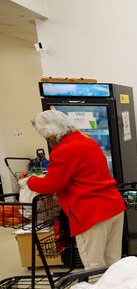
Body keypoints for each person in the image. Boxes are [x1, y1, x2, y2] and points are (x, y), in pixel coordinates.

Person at [26, 110, 125, 269]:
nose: (47, 139)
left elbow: (51, 184)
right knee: (113, 261)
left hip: (90, 213)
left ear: (51, 133)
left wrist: (29, 181)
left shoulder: (63, 150)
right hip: (113, 206)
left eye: (45, 135)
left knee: (95, 266)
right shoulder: (87, 140)